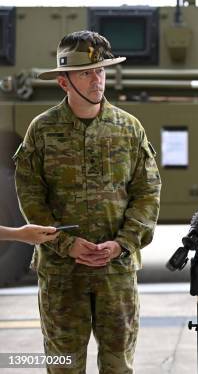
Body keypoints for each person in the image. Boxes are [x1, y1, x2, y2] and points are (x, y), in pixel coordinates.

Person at [13, 30, 161, 373]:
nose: (97, 80)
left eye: (101, 71)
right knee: (63, 365)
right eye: (85, 73)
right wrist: (66, 244)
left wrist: (122, 244)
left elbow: (147, 192)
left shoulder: (128, 128)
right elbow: (31, 195)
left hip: (117, 271)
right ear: (64, 82)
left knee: (118, 365)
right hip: (62, 274)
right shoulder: (43, 130)